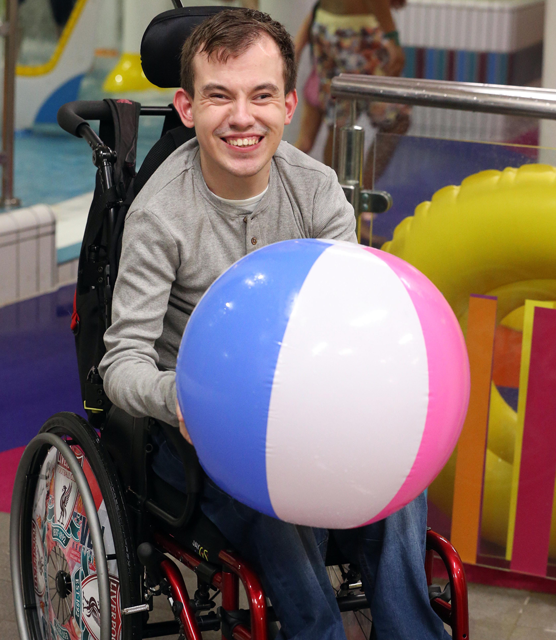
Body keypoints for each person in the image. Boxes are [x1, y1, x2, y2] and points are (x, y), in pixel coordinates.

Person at [100, 9, 449, 640]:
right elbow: (121, 363)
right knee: (276, 484)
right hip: (200, 439)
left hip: (317, 409)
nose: (242, 118)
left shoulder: (317, 191)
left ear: (290, 104)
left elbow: (357, 322)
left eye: (261, 96)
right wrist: (183, 397)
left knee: (397, 472)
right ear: (186, 108)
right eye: (218, 97)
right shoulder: (159, 215)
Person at [294, 0, 410, 182]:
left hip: (326, 25)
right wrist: (393, 38)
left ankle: (336, 197)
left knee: (339, 125)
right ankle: (364, 193)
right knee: (397, 119)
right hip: (357, 33)